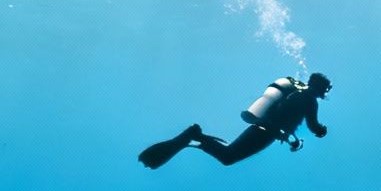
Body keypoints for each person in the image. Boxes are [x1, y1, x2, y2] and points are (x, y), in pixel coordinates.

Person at [139, 72, 332, 168]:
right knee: (228, 157)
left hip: (262, 128)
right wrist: (322, 130)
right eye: (325, 89)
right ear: (320, 87)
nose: (325, 93)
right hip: (266, 132)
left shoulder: (298, 93)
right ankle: (196, 136)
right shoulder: (310, 101)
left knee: (229, 153)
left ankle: (198, 137)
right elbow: (314, 127)